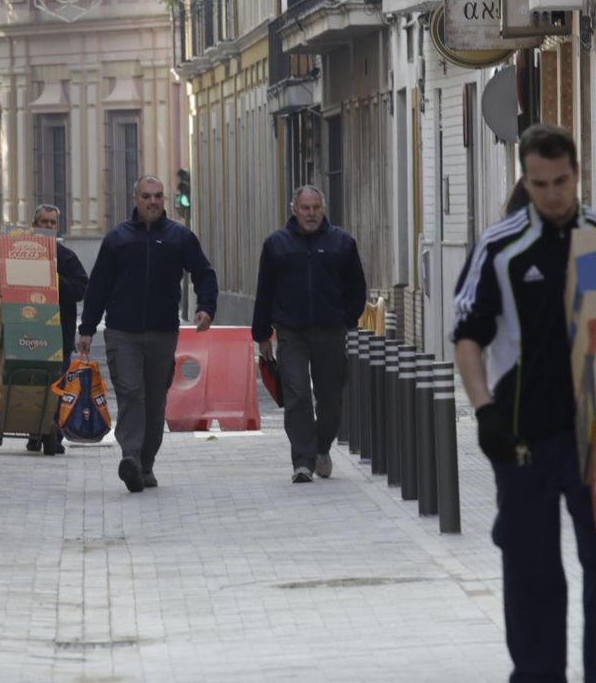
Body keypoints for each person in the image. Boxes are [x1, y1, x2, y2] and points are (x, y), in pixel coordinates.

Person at [452, 124, 596, 683]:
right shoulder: (501, 246)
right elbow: (467, 334)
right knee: (531, 569)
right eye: (538, 184)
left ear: (578, 175)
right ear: (523, 180)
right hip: (524, 438)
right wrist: (484, 411)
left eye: (560, 182)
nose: (551, 195)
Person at [77, 176, 217, 493]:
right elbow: (98, 286)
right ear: (135, 198)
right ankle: (130, 457)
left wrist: (206, 307)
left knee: (155, 404)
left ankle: (146, 463)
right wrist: (87, 329)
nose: (152, 202)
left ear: (163, 199)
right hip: (121, 332)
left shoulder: (180, 237)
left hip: (162, 333)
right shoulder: (118, 239)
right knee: (131, 395)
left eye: (157, 196)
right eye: (146, 196)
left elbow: (204, 273)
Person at [251, 186, 368, 483]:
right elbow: (264, 291)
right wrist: (262, 335)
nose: (311, 213)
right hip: (291, 333)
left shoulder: (341, 243)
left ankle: (321, 447)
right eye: (305, 208)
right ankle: (302, 461)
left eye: (316, 207)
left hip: (331, 332)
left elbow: (356, 287)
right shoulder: (277, 245)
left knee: (330, 399)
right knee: (297, 394)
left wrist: (348, 319)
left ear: (323, 209)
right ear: (294, 209)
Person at [28, 204, 89, 456]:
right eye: (44, 222)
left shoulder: (66, 257)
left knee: (58, 385)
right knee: (31, 383)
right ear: (35, 225)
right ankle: (33, 430)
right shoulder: (21, 254)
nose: (49, 227)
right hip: (28, 333)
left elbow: (80, 288)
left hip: (59, 334)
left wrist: (53, 278)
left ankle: (54, 433)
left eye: (53, 222)